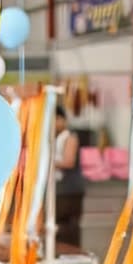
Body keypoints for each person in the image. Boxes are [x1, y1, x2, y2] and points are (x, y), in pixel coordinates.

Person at [54, 105, 85, 249]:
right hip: (59, 189)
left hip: (70, 190)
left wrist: (45, 162)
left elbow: (68, 161)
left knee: (69, 227)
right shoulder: (56, 138)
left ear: (62, 119)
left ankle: (72, 254)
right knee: (58, 226)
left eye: (55, 120)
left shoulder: (70, 137)